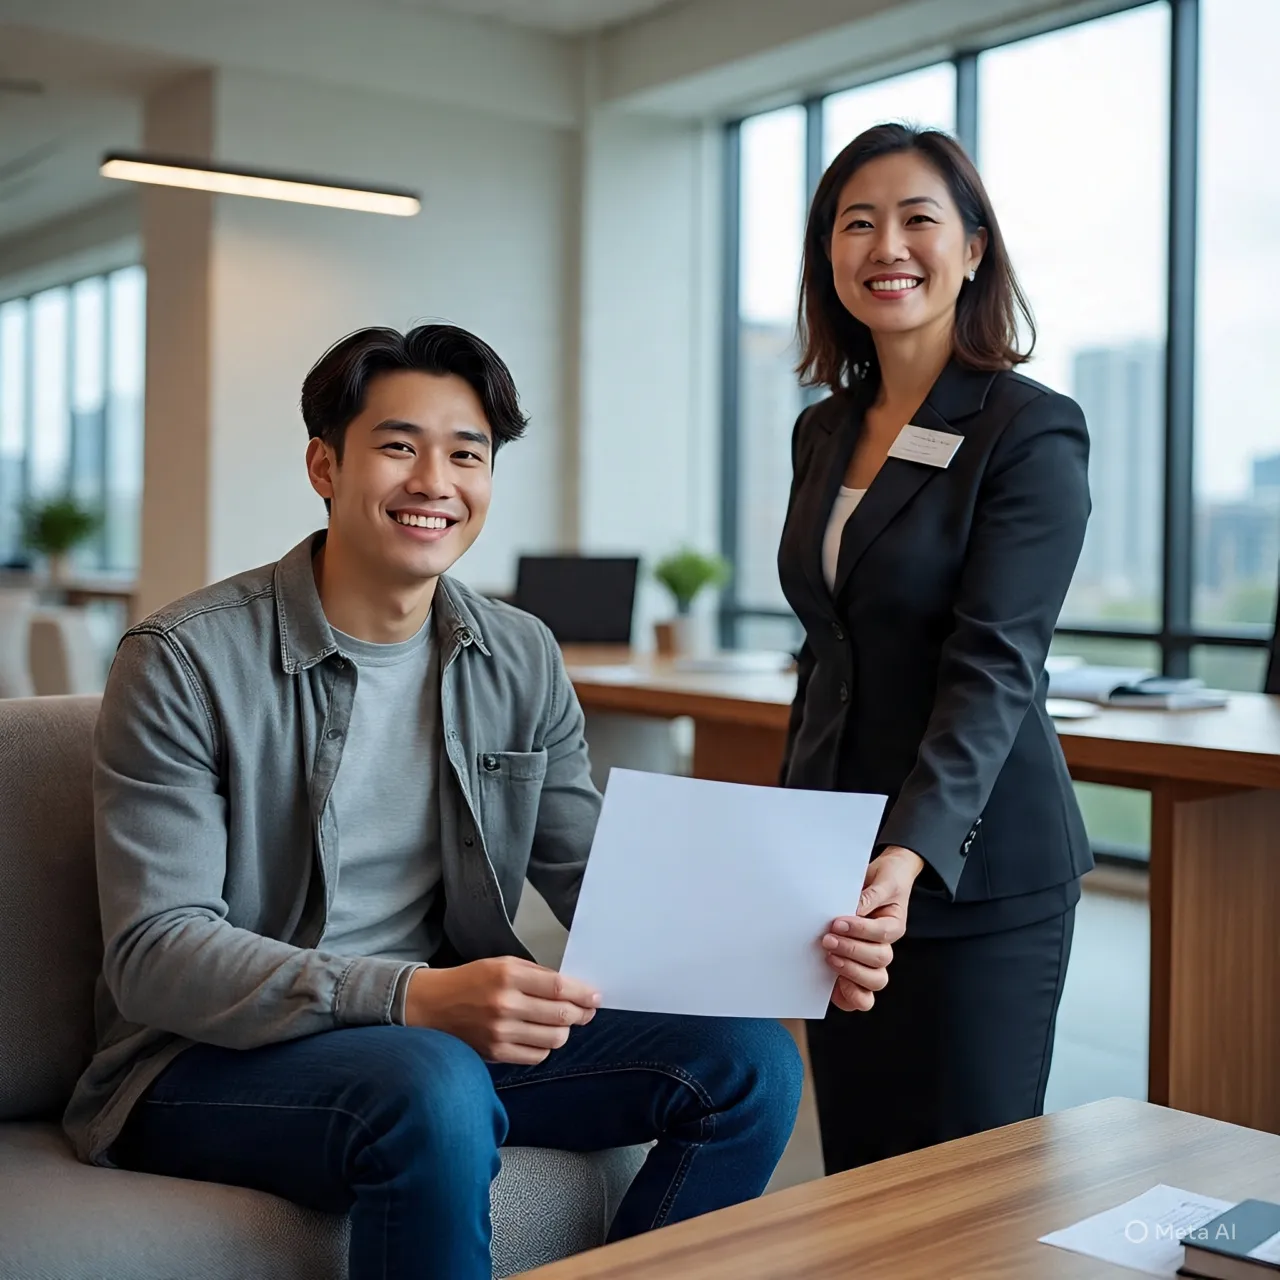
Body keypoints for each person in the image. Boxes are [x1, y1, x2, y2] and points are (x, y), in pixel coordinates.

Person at [63, 323, 829, 1280]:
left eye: (467, 453)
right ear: (324, 466)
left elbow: (601, 877)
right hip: (208, 1059)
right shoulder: (183, 661)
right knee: (434, 1081)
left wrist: (792, 935)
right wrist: (411, 996)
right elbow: (154, 954)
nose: (435, 481)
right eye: (398, 446)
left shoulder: (519, 655)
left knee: (750, 1065)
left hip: (435, 1044)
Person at [779, 124, 1093, 1174]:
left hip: (971, 865)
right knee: (860, 1176)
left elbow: (993, 665)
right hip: (832, 867)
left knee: (965, 1191)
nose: (885, 245)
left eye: (917, 218)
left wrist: (907, 850)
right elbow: (829, 649)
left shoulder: (1027, 428)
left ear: (971, 249)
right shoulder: (821, 431)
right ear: (828, 255)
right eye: (854, 222)